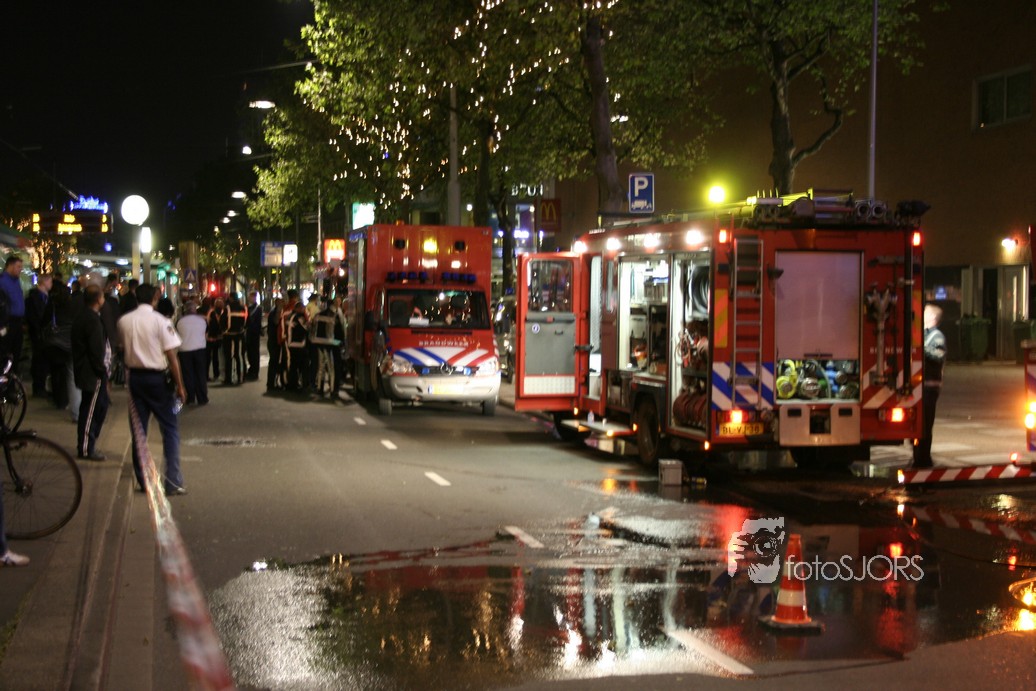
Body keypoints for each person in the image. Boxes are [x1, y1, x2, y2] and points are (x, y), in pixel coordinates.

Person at [118, 283, 188, 496]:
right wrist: (180, 386)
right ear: (155, 298)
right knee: (170, 428)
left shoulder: (124, 321)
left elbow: (122, 348)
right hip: (157, 380)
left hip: (134, 379)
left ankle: (144, 480)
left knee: (139, 430)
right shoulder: (161, 322)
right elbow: (172, 356)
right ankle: (173, 480)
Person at [71, 284, 111, 461]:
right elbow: (96, 350)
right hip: (92, 372)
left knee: (98, 406)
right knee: (91, 411)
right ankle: (86, 448)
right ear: (98, 299)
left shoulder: (85, 317)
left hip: (90, 370)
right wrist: (102, 370)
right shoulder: (91, 320)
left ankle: (89, 444)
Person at [913, 303, 947, 469]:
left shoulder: (937, 336)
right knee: (921, 423)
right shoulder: (925, 334)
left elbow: (938, 356)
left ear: (933, 317)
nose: (922, 314)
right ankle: (919, 457)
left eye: (925, 312)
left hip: (929, 387)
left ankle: (924, 459)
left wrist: (921, 349)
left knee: (925, 424)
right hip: (923, 387)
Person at [176, 301, 209, 406]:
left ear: (185, 309)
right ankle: (202, 398)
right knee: (200, 374)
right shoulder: (202, 321)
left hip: (184, 350)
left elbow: (177, 335)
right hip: (200, 349)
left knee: (188, 374)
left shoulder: (180, 321)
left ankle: (190, 397)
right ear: (195, 309)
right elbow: (206, 334)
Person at [25, 273, 52, 397]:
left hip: (42, 332)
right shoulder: (35, 298)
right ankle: (38, 387)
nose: (51, 284)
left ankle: (40, 386)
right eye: (50, 282)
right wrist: (39, 329)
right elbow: (34, 316)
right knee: (39, 359)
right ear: (44, 282)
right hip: (38, 332)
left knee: (42, 360)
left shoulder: (44, 297)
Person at [0, 256, 26, 374]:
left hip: (18, 323)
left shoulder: (16, 281)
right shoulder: (2, 281)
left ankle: (12, 377)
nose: (21, 269)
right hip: (8, 323)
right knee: (6, 352)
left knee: (16, 352)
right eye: (18, 266)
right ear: (10, 266)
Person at [221, 293, 247, 385]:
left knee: (229, 357)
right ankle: (241, 377)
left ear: (231, 298)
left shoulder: (228, 308)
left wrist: (224, 330)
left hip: (229, 336)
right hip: (240, 335)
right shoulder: (244, 308)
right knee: (239, 356)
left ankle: (229, 378)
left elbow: (222, 321)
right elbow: (247, 321)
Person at [284, 300, 310, 392]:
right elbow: (305, 329)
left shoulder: (290, 317)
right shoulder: (299, 317)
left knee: (293, 366)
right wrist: (309, 323)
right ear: (298, 308)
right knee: (304, 365)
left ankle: (292, 384)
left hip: (291, 344)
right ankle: (304, 384)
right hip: (300, 345)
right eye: (302, 308)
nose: (304, 309)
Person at [266, 297, 283, 392]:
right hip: (274, 341)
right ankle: (271, 383)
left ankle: (274, 382)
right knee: (274, 361)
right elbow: (276, 322)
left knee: (276, 362)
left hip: (275, 340)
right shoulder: (274, 312)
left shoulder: (276, 311)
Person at [244, 291, 262, 381]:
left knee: (254, 353)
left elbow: (257, 322)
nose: (250, 299)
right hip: (249, 333)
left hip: (254, 334)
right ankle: (251, 370)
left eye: (251, 297)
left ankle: (255, 371)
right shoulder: (248, 308)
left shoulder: (258, 308)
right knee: (250, 353)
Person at [206, 297, 225, 381]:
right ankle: (216, 374)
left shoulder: (211, 312)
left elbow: (208, 323)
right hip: (218, 337)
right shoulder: (223, 312)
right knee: (216, 356)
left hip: (212, 337)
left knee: (211, 357)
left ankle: (210, 374)